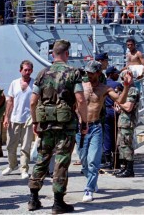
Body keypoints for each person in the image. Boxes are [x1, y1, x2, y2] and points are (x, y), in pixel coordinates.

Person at [27, 39, 89, 214]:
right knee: (61, 162)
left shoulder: (42, 73)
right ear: (67, 54)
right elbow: (81, 100)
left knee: (42, 158)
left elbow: (33, 102)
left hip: (45, 124)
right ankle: (58, 203)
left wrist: (36, 122)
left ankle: (33, 199)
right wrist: (85, 122)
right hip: (65, 125)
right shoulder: (73, 73)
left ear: (53, 54)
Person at [77, 60, 132, 203]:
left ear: (98, 73)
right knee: (83, 161)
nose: (88, 74)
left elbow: (120, 100)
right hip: (81, 127)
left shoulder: (104, 88)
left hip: (95, 127)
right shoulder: (81, 87)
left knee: (93, 161)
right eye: (87, 72)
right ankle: (93, 182)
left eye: (91, 72)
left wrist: (126, 86)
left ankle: (88, 189)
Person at [2, 60, 34, 180]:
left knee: (26, 146)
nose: (27, 72)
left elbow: (37, 102)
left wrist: (36, 119)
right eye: (25, 70)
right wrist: (6, 117)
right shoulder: (14, 83)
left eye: (29, 70)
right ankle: (12, 165)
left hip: (28, 119)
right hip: (14, 118)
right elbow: (10, 101)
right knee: (11, 145)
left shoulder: (34, 84)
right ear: (20, 70)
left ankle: (24, 168)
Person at [114, 70, 140, 178]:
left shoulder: (132, 90)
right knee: (121, 145)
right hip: (122, 121)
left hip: (127, 122)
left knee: (127, 146)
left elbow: (129, 107)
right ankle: (124, 167)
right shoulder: (126, 90)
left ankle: (129, 169)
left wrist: (120, 104)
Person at [102, 66, 122, 170]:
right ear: (111, 74)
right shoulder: (117, 85)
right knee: (115, 136)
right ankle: (116, 161)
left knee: (107, 136)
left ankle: (107, 160)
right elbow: (121, 98)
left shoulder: (102, 83)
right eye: (116, 73)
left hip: (105, 111)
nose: (118, 75)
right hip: (114, 111)